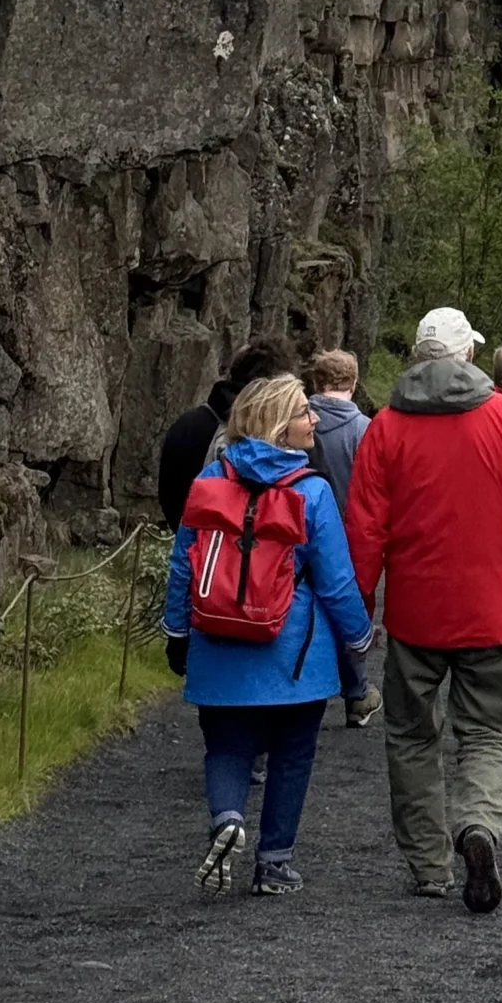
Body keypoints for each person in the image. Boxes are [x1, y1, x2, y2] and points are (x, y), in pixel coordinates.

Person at [346, 307, 502, 911]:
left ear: (418, 356)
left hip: (417, 613)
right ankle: (479, 827)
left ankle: (428, 866)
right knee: (488, 734)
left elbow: (365, 529)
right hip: (494, 609)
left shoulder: (385, 428)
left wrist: (358, 607)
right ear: (468, 354)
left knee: (412, 737)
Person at [162, 374, 374, 895]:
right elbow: (336, 578)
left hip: (218, 643)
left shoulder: (211, 479)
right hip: (295, 654)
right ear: (281, 425)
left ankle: (228, 817)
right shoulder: (313, 492)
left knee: (226, 748)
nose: (315, 420)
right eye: (304, 412)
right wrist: (359, 636)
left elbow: (183, 567)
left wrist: (176, 630)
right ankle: (274, 862)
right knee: (292, 754)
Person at [304, 349, 382, 728]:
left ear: (316, 383)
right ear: (352, 383)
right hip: (349, 532)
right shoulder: (365, 429)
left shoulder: (299, 421)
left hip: (298, 529)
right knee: (347, 607)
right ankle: (356, 693)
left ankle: (306, 690)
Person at [157, 339, 290, 529]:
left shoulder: (187, 424)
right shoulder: (263, 435)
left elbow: (167, 492)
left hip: (189, 538)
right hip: (235, 545)